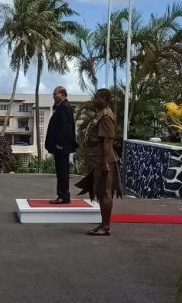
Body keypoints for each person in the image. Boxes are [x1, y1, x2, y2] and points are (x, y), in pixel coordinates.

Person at [75, 88, 123, 236]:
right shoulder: (101, 114)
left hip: (104, 160)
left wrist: (105, 163)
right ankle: (103, 224)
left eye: (96, 97)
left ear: (104, 98)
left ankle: (106, 226)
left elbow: (107, 141)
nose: (94, 100)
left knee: (105, 193)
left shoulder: (106, 116)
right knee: (101, 192)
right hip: (98, 158)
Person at [44, 86, 78, 204]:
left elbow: (64, 128)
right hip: (62, 146)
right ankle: (63, 195)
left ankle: (63, 196)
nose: (53, 96)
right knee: (61, 172)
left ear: (62, 94)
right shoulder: (61, 106)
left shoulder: (64, 107)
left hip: (62, 146)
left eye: (55, 94)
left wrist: (59, 145)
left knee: (62, 172)